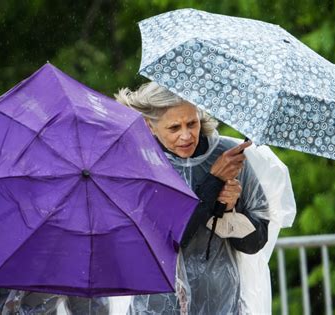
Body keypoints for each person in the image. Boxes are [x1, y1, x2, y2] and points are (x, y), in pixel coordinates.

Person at [115, 82, 271, 314]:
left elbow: (255, 242)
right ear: (150, 126)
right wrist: (214, 180)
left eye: (192, 123)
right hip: (158, 307)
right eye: (174, 128)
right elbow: (171, 239)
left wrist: (231, 212)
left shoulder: (229, 157)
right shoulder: (141, 166)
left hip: (221, 303)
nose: (186, 135)